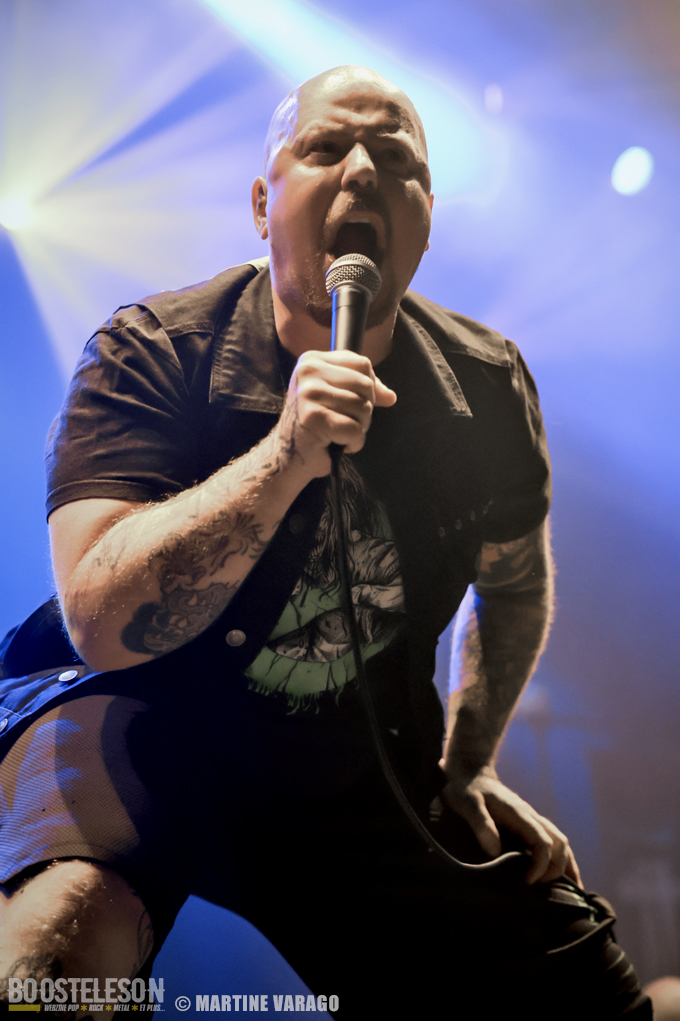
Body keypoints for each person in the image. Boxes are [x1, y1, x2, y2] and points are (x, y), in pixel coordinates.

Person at [0, 65, 650, 1018]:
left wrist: (470, 760)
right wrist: (286, 456)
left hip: (348, 758)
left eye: (394, 157)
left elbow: (513, 583)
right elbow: (99, 619)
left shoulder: (485, 386)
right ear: (263, 204)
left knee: (581, 989)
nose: (362, 170)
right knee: (62, 943)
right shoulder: (152, 349)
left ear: (425, 221)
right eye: (325, 147)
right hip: (138, 717)